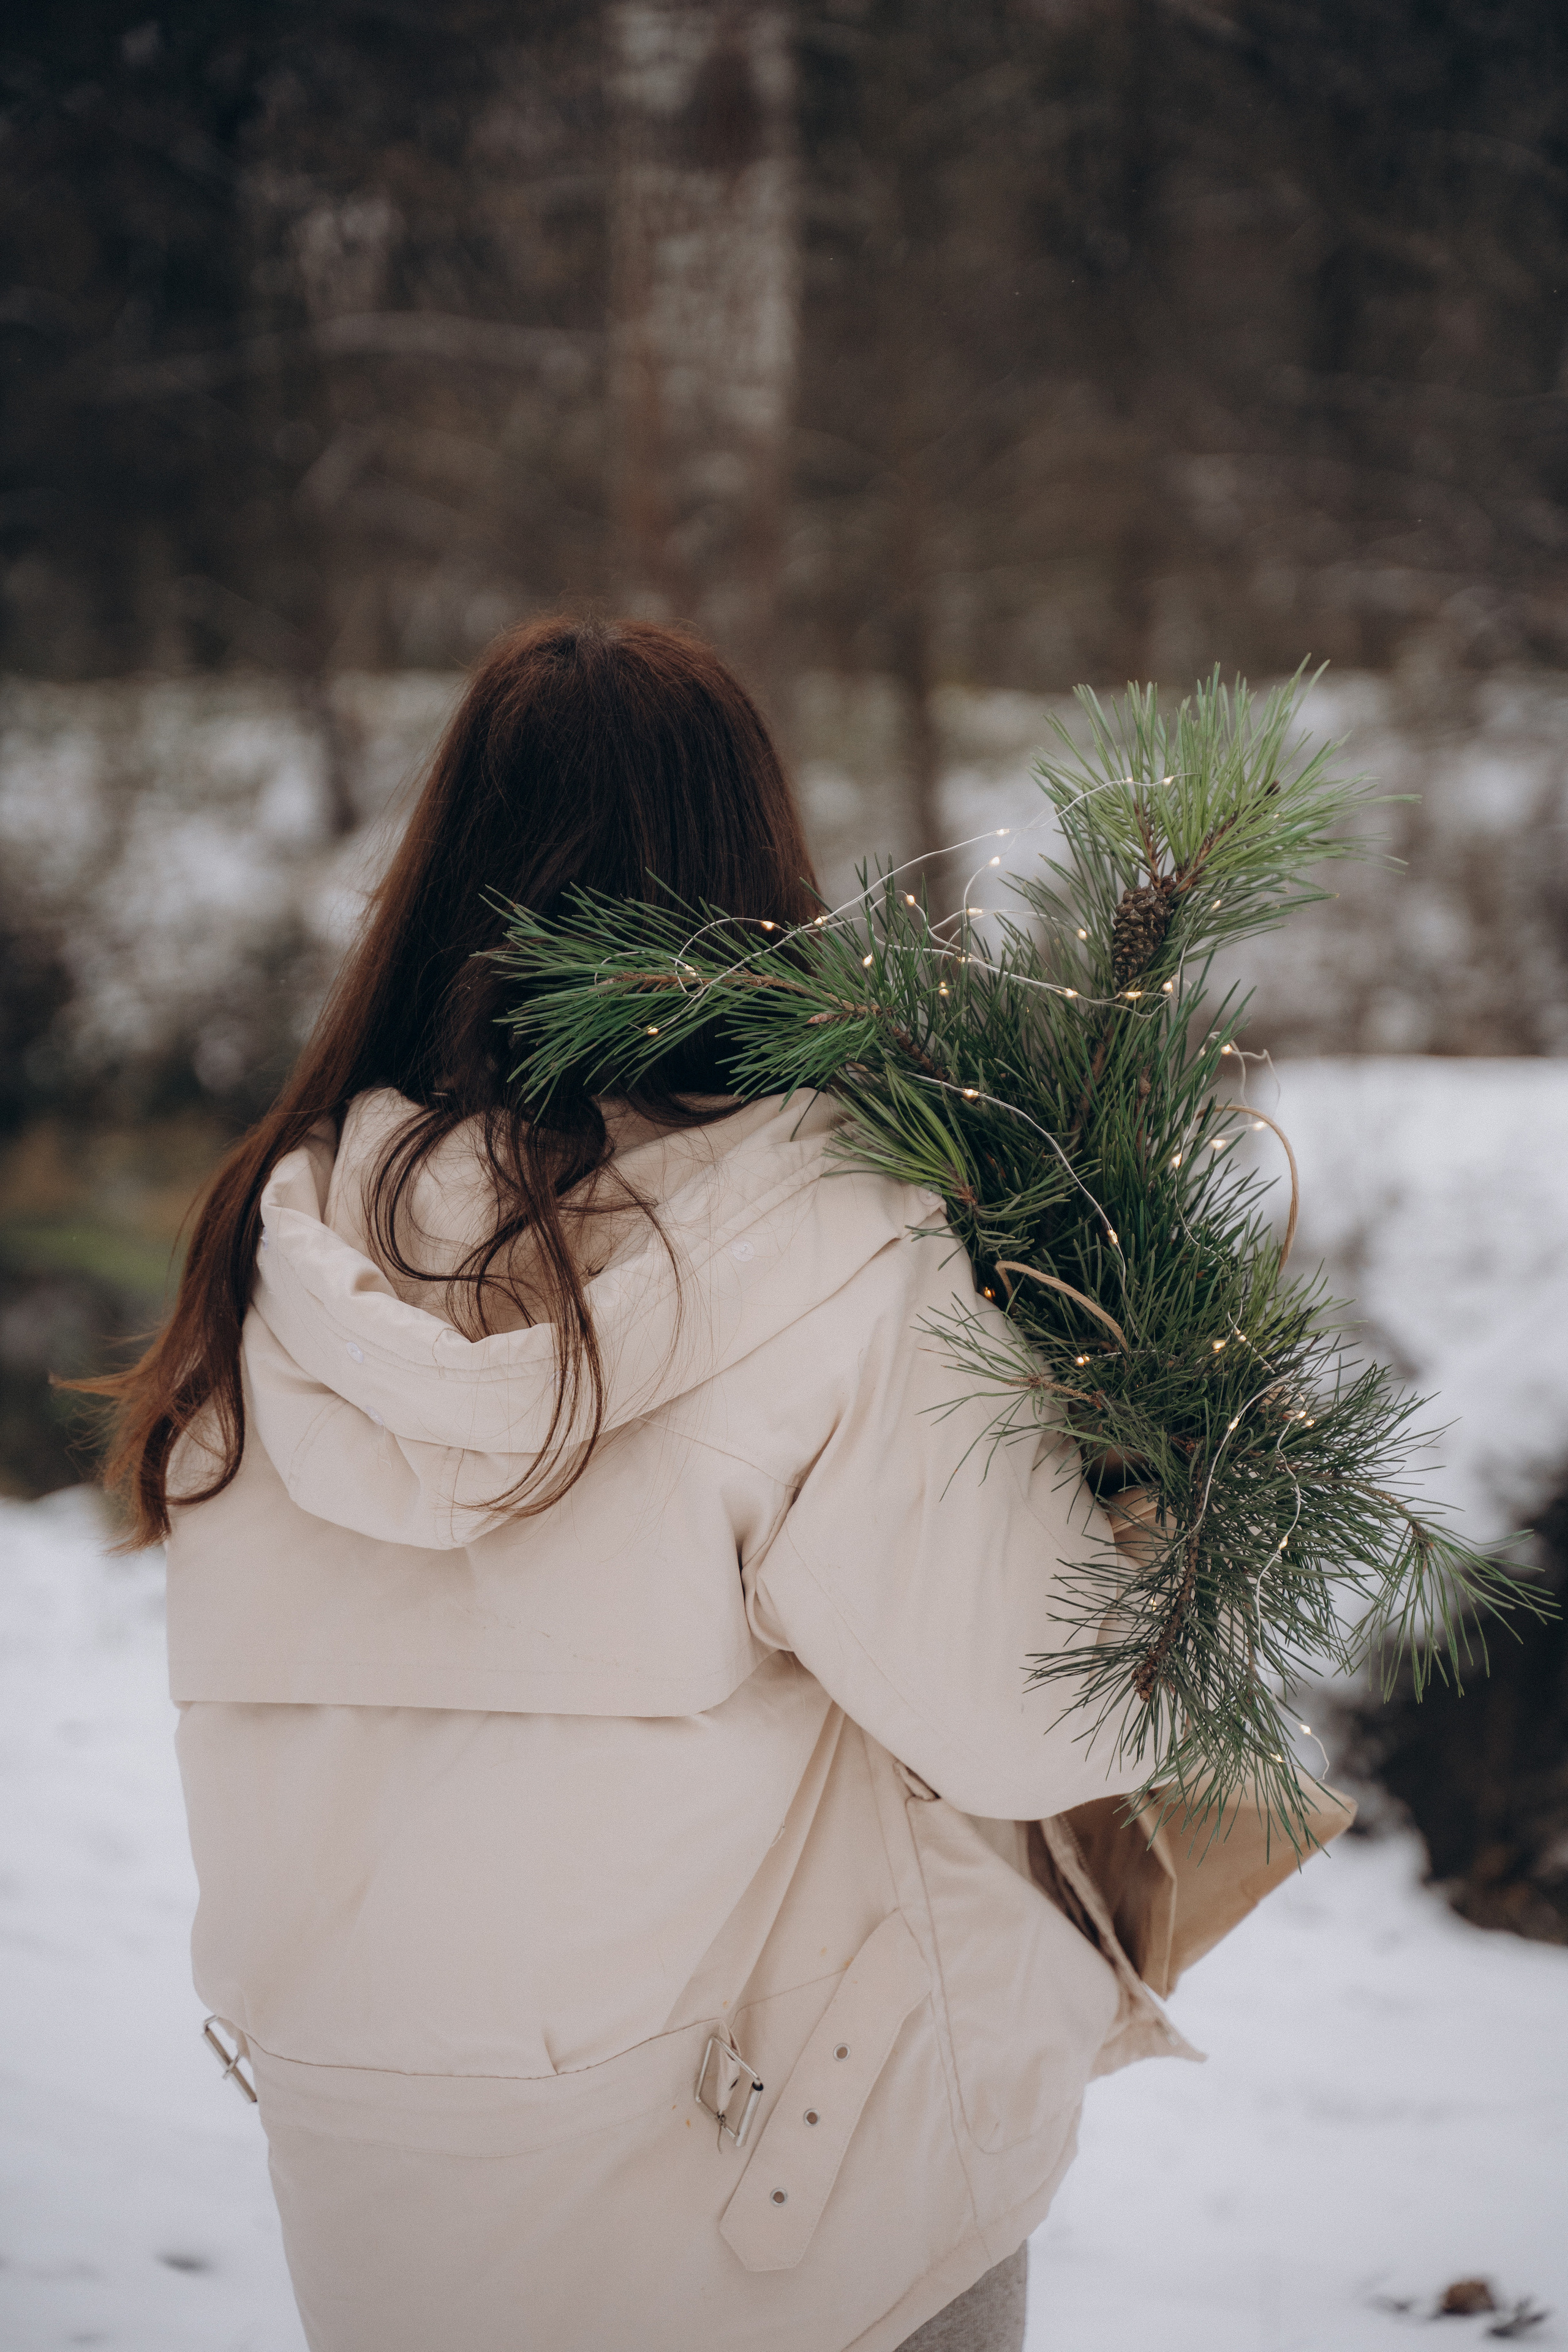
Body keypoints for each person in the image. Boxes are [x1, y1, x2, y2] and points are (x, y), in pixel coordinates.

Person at [91, 616, 1286, 2352]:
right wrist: (1125, 1475)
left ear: (436, 871)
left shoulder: (266, 1256)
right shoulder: (833, 1247)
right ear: (755, 882)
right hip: (786, 2214)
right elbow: (1052, 1724)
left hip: (398, 2232)